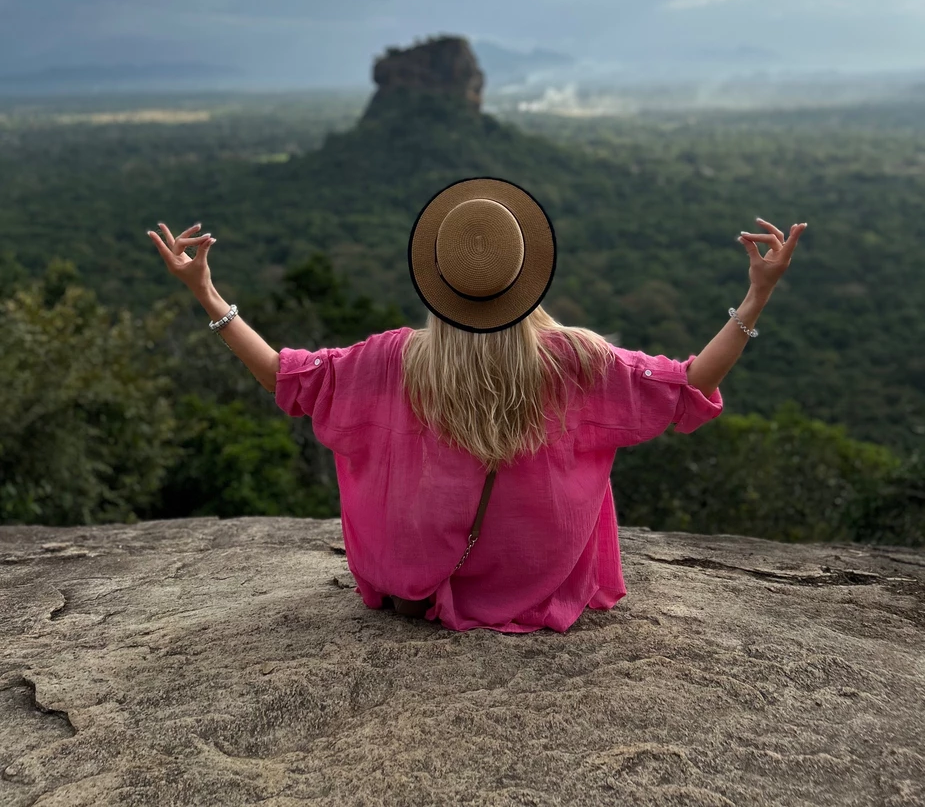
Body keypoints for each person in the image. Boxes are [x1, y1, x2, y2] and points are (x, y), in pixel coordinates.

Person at [148, 177, 807, 633]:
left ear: (438, 282)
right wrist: (756, 297)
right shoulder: (574, 358)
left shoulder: (394, 358)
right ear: (526, 278)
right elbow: (687, 383)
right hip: (534, 573)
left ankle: (436, 580)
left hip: (417, 579)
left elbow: (284, 376)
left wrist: (207, 294)